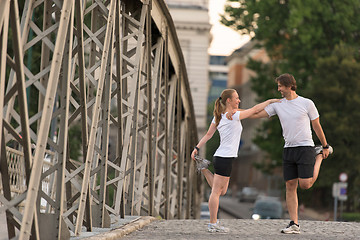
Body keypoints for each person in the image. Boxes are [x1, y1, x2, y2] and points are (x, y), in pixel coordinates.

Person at [227, 73, 333, 234]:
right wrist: (234, 111)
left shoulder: (306, 103)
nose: (279, 90)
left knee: (305, 184)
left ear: (289, 86)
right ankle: (294, 224)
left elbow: (317, 126)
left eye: (280, 87)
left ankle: (318, 156)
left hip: (305, 147)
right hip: (288, 149)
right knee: (290, 186)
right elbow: (255, 114)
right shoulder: (278, 104)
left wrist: (325, 146)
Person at [191, 89, 279, 233]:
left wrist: (196, 147)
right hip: (224, 157)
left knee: (222, 190)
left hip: (224, 157)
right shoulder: (234, 116)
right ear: (228, 101)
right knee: (216, 192)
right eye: (236, 98)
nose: (239, 100)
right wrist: (270, 101)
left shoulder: (219, 116)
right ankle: (213, 224)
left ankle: (204, 168)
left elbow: (208, 134)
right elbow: (255, 109)